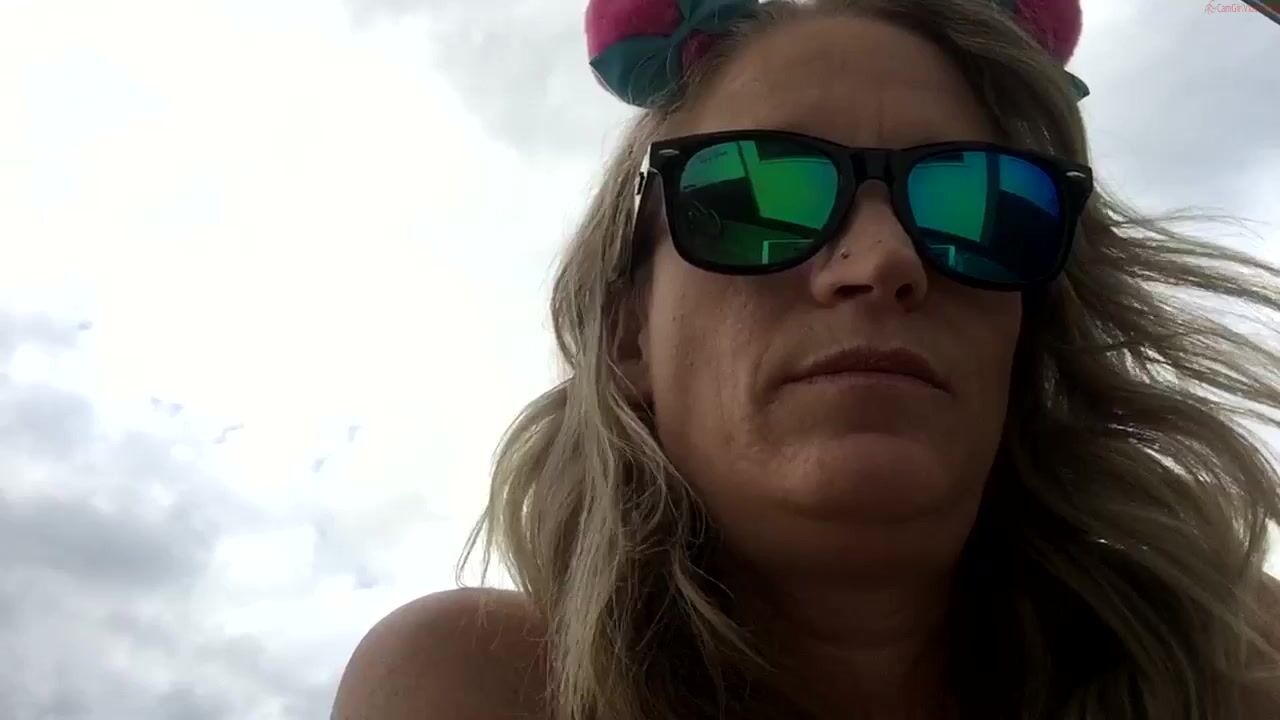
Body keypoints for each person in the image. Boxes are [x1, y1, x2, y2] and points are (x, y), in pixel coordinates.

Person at [332, 0, 1280, 717]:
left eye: (980, 206)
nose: (883, 261)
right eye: (757, 195)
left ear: (1025, 333)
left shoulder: (1238, 670)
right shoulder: (479, 686)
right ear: (628, 335)